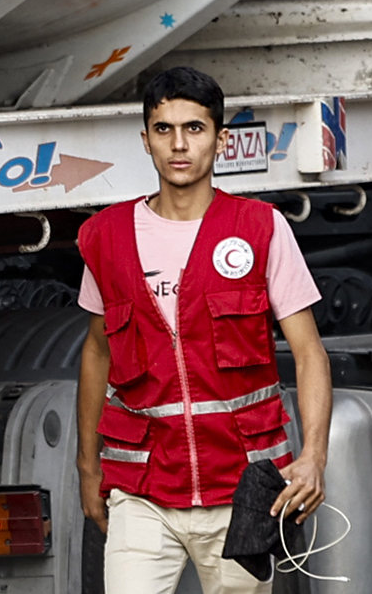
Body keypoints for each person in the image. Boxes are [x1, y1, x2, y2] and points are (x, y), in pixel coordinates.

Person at [75, 65, 332, 594]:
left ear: (220, 137)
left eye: (194, 128)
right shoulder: (105, 236)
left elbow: (309, 353)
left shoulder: (260, 228)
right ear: (145, 140)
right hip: (141, 491)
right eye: (164, 129)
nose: (179, 144)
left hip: (242, 487)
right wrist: (86, 466)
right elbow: (97, 352)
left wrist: (313, 457)